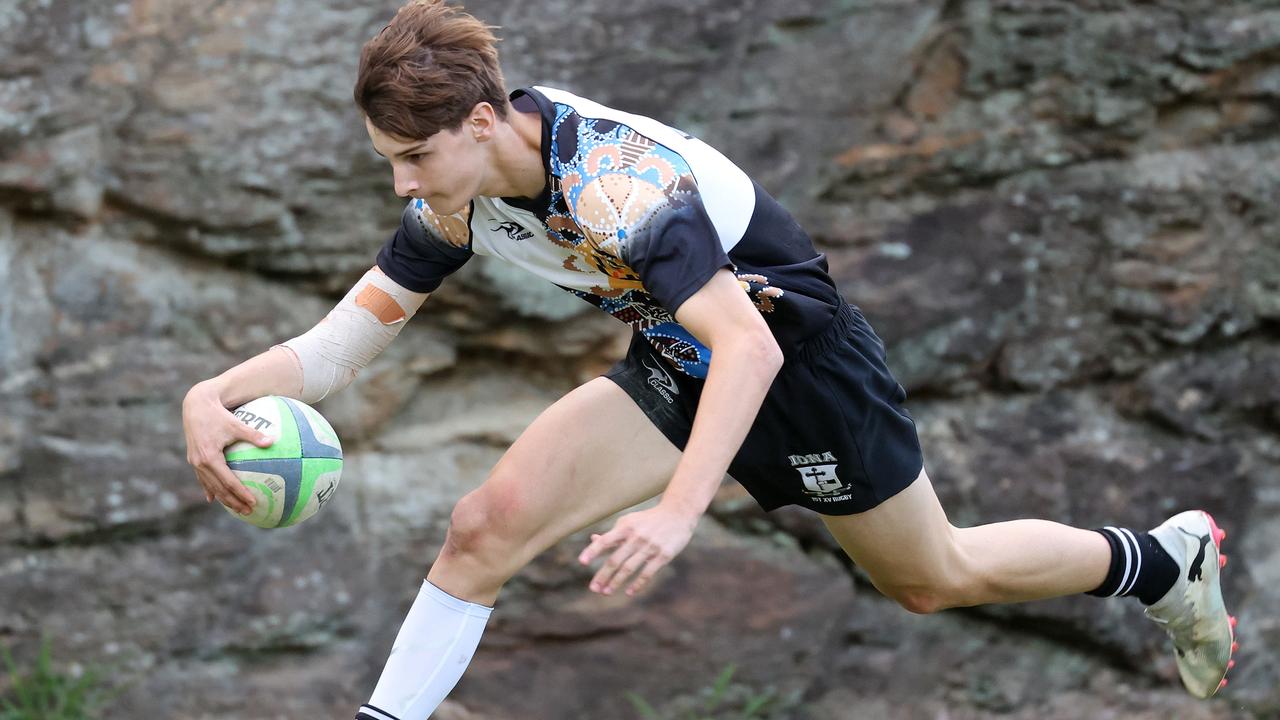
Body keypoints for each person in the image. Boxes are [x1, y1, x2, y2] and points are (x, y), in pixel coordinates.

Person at [180, 2, 1237, 717]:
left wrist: (679, 510)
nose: (402, 186)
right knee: (482, 528)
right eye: (388, 163)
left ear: (482, 119)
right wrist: (212, 395)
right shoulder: (452, 201)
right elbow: (340, 349)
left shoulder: (614, 183)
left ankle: (1161, 564)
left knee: (930, 578)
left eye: (413, 158)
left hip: (800, 360)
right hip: (679, 359)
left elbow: (748, 344)